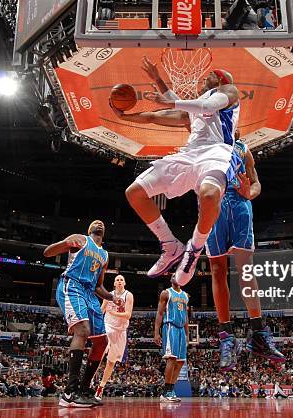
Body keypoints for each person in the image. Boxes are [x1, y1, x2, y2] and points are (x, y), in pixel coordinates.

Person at [115, 56, 240, 286]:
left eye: (210, 74)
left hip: (217, 153)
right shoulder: (191, 110)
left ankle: (194, 248)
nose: (205, 77)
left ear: (219, 80)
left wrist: (169, 103)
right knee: (135, 193)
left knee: (210, 195)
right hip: (188, 154)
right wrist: (125, 115)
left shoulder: (228, 90)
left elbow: (207, 106)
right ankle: (170, 245)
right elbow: (156, 116)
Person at [206, 132, 285, 370]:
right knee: (218, 269)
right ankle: (226, 337)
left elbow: (256, 183)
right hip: (214, 204)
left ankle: (258, 334)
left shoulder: (244, 149)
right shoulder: (206, 143)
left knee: (246, 270)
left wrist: (249, 192)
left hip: (240, 206)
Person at [44, 220, 123, 408]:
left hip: (90, 293)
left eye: (103, 223)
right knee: (82, 331)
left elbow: (98, 287)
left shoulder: (104, 255)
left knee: (102, 342)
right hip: (72, 285)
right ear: (89, 230)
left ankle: (84, 389)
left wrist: (113, 297)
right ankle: (69, 393)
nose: (100, 223)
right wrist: (66, 243)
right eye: (96, 222)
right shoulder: (80, 240)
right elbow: (47, 253)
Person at [95, 274, 134, 401]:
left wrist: (113, 312)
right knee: (101, 352)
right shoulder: (108, 295)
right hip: (108, 326)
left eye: (121, 279)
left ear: (125, 283)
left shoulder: (128, 295)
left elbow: (128, 314)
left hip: (121, 330)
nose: (119, 281)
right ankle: (88, 381)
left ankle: (101, 387)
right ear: (114, 283)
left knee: (111, 362)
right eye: (117, 279)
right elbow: (101, 310)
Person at [154, 278, 189, 402]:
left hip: (181, 329)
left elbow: (186, 316)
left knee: (180, 362)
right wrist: (156, 332)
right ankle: (166, 391)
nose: (177, 277)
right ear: (171, 279)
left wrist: (187, 334)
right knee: (172, 358)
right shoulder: (166, 293)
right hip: (170, 326)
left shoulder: (185, 295)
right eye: (174, 275)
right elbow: (159, 313)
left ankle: (171, 389)